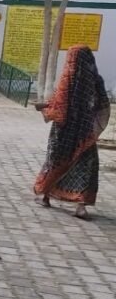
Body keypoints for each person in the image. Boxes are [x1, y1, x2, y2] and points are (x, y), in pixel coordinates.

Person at [33, 46, 110, 219]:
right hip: (85, 132)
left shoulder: (67, 79)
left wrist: (43, 106)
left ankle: (45, 196)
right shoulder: (97, 80)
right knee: (86, 165)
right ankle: (81, 206)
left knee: (55, 162)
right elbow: (103, 105)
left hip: (64, 131)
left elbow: (59, 105)